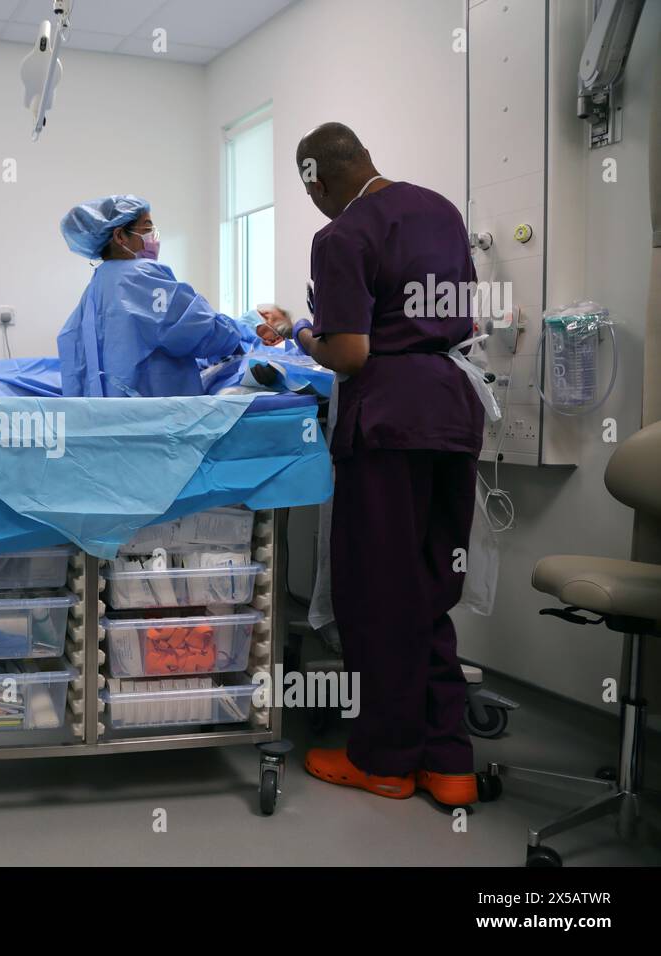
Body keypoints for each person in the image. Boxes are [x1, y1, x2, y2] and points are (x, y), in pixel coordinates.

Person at [269, 123, 488, 809]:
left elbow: (352, 354)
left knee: (380, 595)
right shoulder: (441, 211)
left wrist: (303, 334)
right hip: (451, 414)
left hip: (388, 421)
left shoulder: (342, 234)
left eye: (310, 193)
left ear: (317, 180)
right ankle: (448, 761)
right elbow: (460, 317)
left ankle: (385, 759)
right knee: (430, 588)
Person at [56, 195, 287, 397]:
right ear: (120, 236)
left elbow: (74, 349)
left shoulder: (98, 283)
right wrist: (242, 331)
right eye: (147, 228)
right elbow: (199, 327)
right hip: (153, 411)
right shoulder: (140, 275)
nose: (154, 237)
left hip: (114, 413)